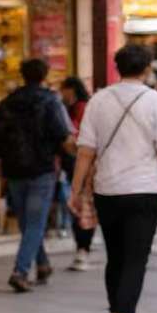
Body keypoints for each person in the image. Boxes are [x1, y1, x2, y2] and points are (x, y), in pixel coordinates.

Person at [69, 44, 157, 313]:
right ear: (147, 69)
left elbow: (85, 151)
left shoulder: (98, 100)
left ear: (117, 67)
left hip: (107, 190)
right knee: (136, 257)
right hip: (144, 190)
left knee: (116, 256)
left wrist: (75, 190)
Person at [0, 58, 71, 292]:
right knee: (34, 222)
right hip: (41, 169)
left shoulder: (9, 102)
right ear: (45, 75)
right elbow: (61, 134)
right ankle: (21, 271)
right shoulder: (50, 101)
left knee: (28, 221)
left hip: (14, 169)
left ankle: (43, 264)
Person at [59, 76, 94, 269]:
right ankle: (82, 249)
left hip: (80, 165)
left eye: (63, 89)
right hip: (75, 166)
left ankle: (83, 249)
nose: (61, 93)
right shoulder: (71, 108)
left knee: (81, 207)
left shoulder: (81, 108)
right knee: (80, 208)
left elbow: (81, 140)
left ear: (71, 89)